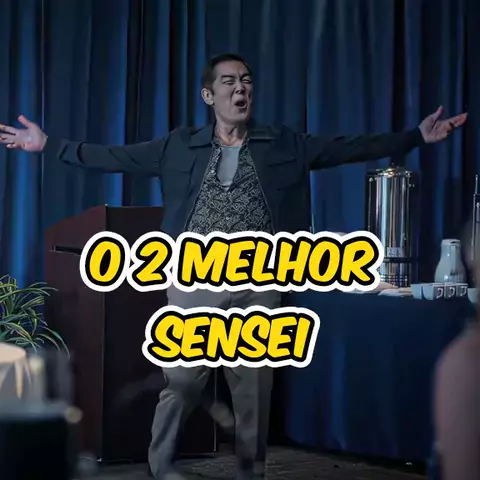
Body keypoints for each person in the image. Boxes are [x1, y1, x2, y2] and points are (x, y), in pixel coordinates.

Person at [0, 53, 467, 480]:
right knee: (183, 378)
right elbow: (113, 157)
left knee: (253, 388)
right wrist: (49, 144)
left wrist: (416, 136)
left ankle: (250, 473)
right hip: (194, 278)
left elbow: (347, 147)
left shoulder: (282, 144)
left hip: (257, 280)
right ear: (209, 95)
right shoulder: (179, 145)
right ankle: (160, 467)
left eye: (246, 81)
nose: (240, 88)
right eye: (228, 82)